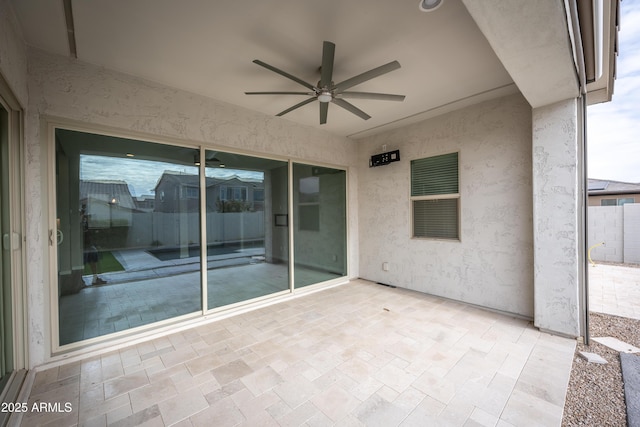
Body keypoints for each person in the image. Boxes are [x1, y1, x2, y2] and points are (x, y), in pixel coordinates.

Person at [82, 204, 107, 285]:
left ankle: (95, 278)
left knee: (94, 259)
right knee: (83, 262)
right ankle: (80, 280)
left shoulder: (86, 222)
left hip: (89, 244)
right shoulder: (80, 221)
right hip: (83, 245)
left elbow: (89, 232)